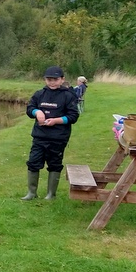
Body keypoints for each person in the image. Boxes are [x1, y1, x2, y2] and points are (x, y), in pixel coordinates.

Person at [22, 66, 79, 201]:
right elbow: (30, 109)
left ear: (62, 79)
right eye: (49, 79)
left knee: (54, 164)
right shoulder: (39, 94)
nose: (52, 82)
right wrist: (37, 112)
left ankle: (51, 195)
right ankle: (31, 193)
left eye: (55, 79)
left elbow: (73, 116)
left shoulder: (68, 96)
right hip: (39, 136)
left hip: (58, 138)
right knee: (33, 162)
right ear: (45, 79)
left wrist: (56, 121)